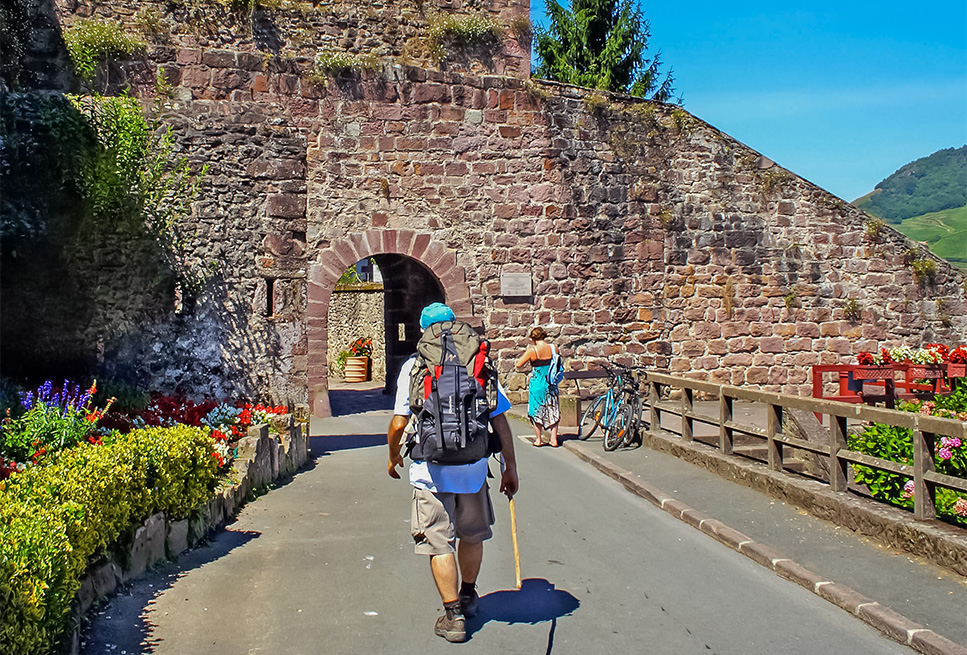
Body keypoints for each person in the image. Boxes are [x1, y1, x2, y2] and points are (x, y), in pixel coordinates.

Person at [386, 302, 519, 643]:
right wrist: (510, 468)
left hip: (430, 471)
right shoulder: (479, 364)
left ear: (423, 331)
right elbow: (499, 419)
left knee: (438, 541)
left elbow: (400, 421)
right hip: (474, 468)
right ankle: (469, 594)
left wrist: (392, 457)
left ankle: (453, 615)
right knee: (472, 534)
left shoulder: (416, 366)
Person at [515, 326, 561, 447]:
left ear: (533, 338)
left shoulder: (532, 350)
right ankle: (554, 439)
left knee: (537, 411)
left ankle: (538, 439)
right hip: (551, 383)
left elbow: (519, 364)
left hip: (537, 383)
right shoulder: (554, 348)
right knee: (553, 409)